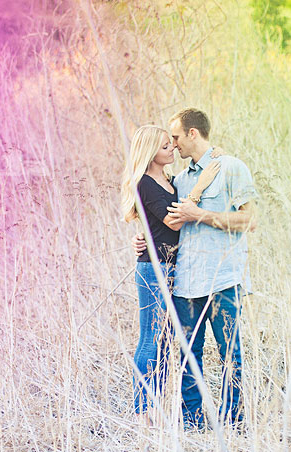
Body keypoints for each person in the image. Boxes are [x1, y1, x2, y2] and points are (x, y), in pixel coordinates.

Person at [132, 108, 259, 430]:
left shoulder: (231, 168)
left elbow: (250, 221)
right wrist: (143, 238)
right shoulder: (181, 179)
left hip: (222, 277)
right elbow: (164, 217)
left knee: (230, 353)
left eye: (175, 138)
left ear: (192, 134)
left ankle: (234, 420)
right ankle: (194, 420)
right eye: (167, 142)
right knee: (189, 355)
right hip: (186, 281)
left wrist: (198, 214)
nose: (172, 146)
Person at [120, 125, 221, 426]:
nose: (172, 149)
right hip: (154, 269)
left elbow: (157, 224)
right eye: (165, 146)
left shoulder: (167, 180)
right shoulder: (145, 183)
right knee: (151, 339)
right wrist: (201, 187)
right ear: (151, 152)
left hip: (173, 267)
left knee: (165, 341)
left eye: (171, 144)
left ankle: (155, 408)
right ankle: (141, 414)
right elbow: (174, 223)